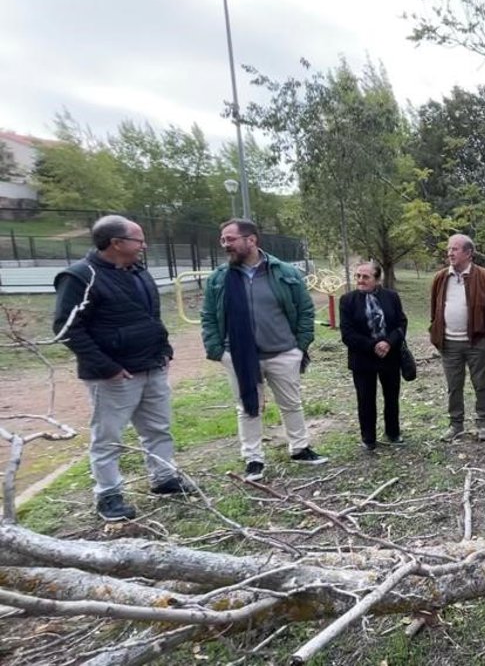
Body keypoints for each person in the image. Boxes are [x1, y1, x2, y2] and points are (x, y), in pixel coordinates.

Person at [53, 214, 187, 521]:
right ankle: (109, 495)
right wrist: (107, 367)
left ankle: (164, 478)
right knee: (108, 438)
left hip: (152, 366)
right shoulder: (80, 277)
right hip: (114, 376)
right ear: (116, 243)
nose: (144, 246)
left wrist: (164, 349)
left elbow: (151, 316)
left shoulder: (138, 272)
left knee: (158, 429)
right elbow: (67, 328)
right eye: (139, 240)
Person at [201, 219, 327, 482]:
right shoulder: (219, 279)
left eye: (230, 239)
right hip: (238, 356)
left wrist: (299, 347)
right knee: (248, 408)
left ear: (251, 240)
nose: (225, 245)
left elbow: (305, 310)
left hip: (283, 352)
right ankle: (253, 459)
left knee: (291, 403)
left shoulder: (284, 272)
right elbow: (208, 316)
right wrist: (218, 351)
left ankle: (300, 448)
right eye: (222, 240)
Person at [429, 234, 485, 442]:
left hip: (476, 342)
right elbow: (434, 309)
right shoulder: (441, 277)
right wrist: (436, 332)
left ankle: (484, 424)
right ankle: (456, 425)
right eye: (449, 249)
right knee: (454, 386)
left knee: (481, 384)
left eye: (455, 249)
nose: (450, 253)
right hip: (449, 343)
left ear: (469, 253)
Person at [340, 261, 409, 451]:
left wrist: (388, 342)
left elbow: (401, 323)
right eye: (358, 276)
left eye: (365, 277)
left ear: (377, 279)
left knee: (391, 397)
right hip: (362, 358)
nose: (360, 280)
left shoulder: (391, 297)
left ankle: (393, 433)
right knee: (365, 399)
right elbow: (347, 333)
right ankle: (368, 438)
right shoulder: (347, 300)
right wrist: (373, 345)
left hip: (390, 356)